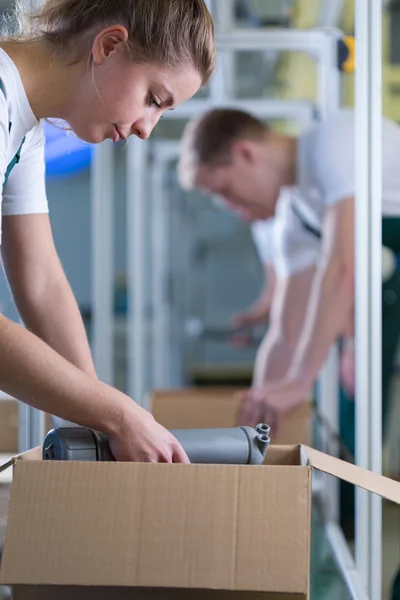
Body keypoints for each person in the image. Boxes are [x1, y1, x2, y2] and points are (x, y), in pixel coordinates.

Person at [0, 0, 215, 462]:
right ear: (109, 45)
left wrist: (95, 431)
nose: (145, 129)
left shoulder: (26, 130)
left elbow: (41, 283)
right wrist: (116, 415)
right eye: (154, 99)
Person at [178, 106, 400, 459]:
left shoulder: (335, 141)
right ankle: (349, 509)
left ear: (245, 154)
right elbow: (285, 333)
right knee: (354, 404)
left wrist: (299, 381)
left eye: (226, 190)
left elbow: (344, 269)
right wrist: (257, 414)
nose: (232, 207)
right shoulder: (293, 217)